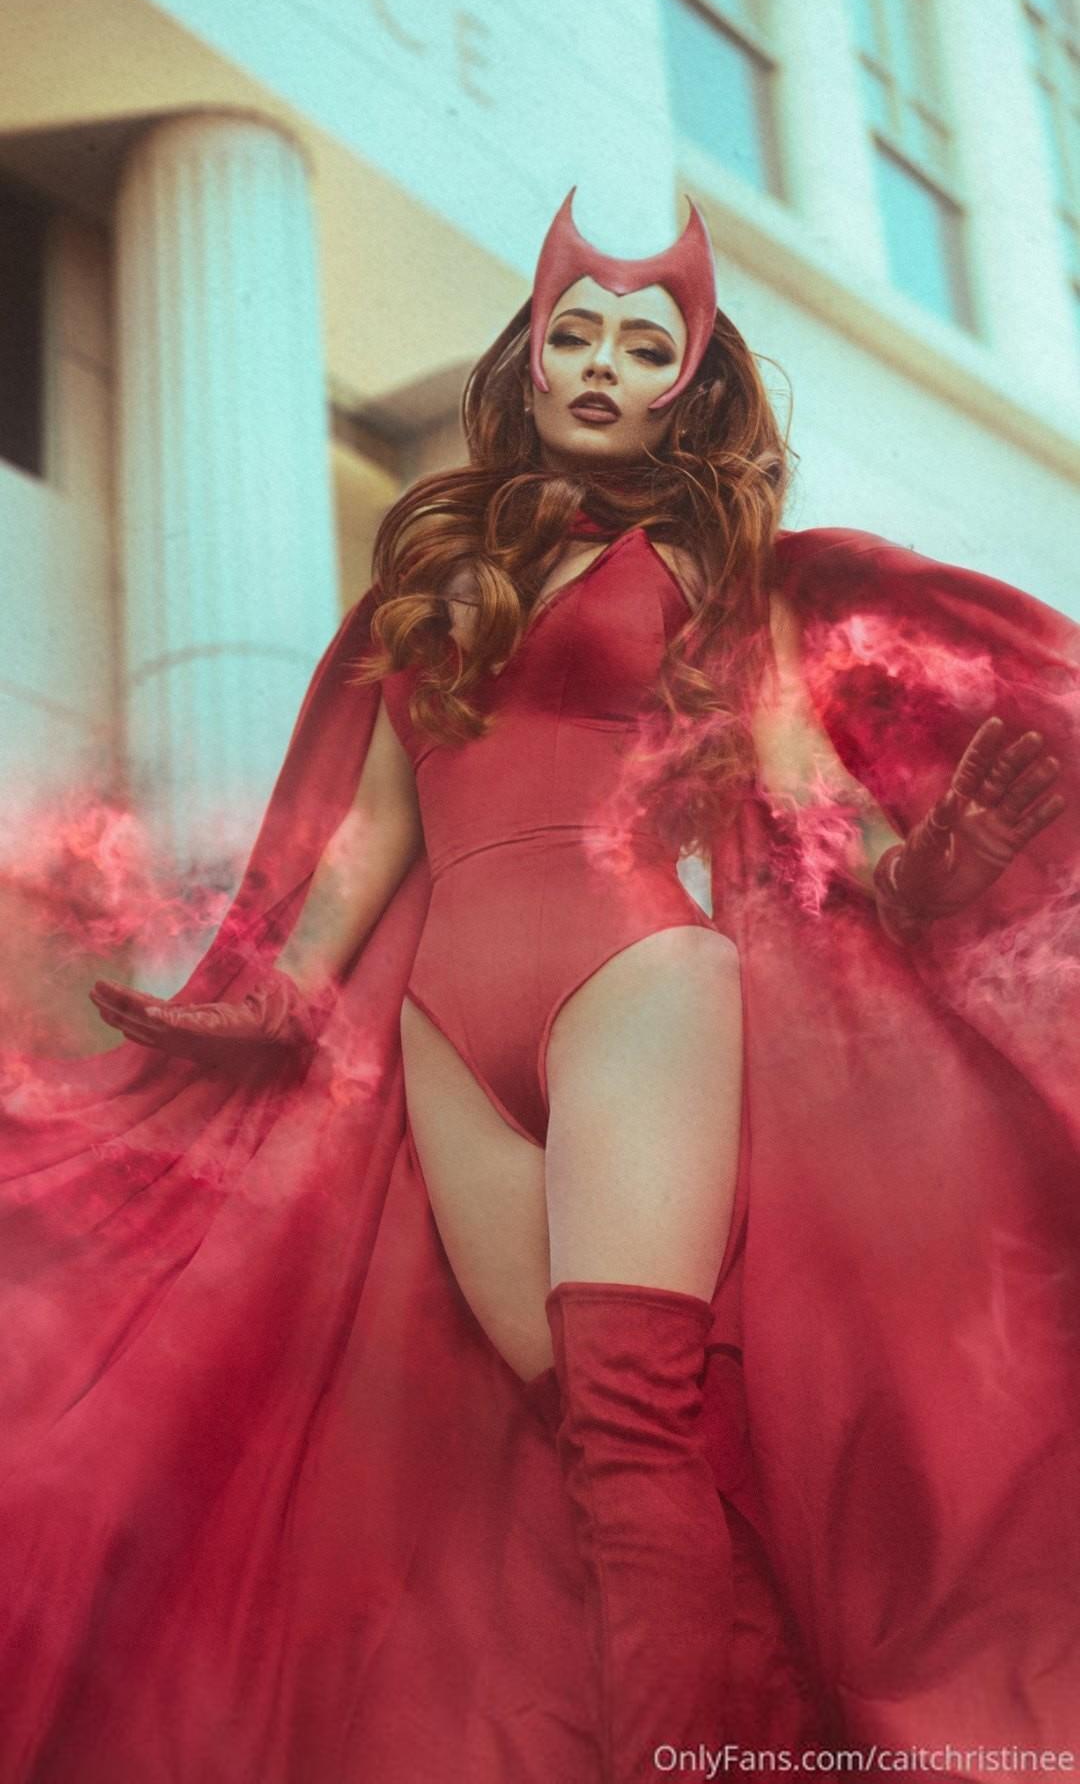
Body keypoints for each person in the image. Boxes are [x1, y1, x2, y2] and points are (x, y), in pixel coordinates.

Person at [2, 191, 1078, 1784]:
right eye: (576, 333)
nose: (600, 364)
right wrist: (283, 995)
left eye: (643, 346)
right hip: (448, 1024)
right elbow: (373, 830)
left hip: (634, 978)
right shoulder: (436, 565)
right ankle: (763, 1740)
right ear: (531, 357)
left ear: (684, 388)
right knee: (598, 1444)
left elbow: (799, 802)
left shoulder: (717, 570)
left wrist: (921, 879)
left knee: (632, 1426)